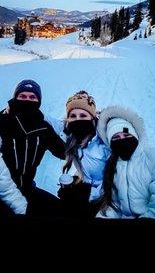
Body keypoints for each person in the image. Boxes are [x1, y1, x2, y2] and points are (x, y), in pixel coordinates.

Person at [0, 79, 65, 216]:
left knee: (62, 211)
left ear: (38, 102)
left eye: (32, 97)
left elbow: (65, 152)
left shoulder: (43, 128)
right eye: (22, 96)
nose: (27, 100)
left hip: (27, 190)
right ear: (15, 98)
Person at [96, 105, 155, 223]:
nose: (122, 140)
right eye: (116, 138)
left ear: (135, 135)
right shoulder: (112, 165)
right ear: (110, 143)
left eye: (126, 135)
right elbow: (113, 204)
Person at [58, 90, 110, 218]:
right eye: (73, 116)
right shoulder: (71, 137)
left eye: (83, 115)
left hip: (107, 196)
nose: (78, 120)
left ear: (92, 118)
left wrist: (87, 195)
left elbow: (118, 177)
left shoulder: (105, 141)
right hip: (86, 187)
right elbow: (47, 122)